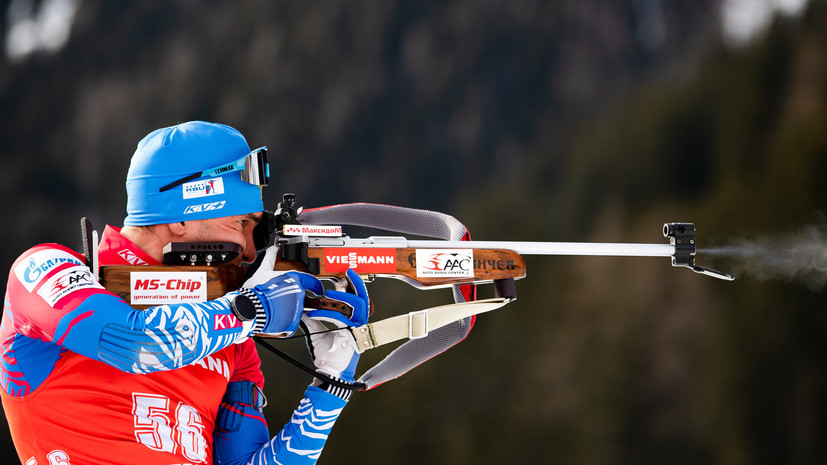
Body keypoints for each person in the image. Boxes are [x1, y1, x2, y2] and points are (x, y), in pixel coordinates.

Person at [1, 121, 370, 465]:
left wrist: (331, 384)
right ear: (180, 218)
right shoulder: (44, 269)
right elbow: (134, 342)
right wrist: (250, 309)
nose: (250, 251)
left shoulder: (232, 343)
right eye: (240, 223)